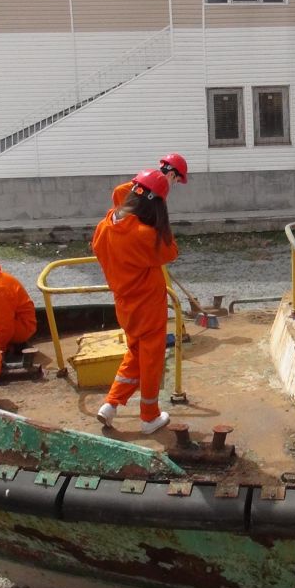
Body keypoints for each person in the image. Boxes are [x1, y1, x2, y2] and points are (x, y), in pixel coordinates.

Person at [91, 169, 178, 434]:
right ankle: (149, 416)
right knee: (151, 359)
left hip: (124, 305)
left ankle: (111, 403)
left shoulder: (104, 226)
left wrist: (148, 183)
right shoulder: (145, 234)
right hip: (148, 306)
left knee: (135, 353)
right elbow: (171, 252)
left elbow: (120, 193)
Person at [110, 153, 189, 208]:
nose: (174, 184)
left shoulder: (122, 190)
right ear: (171, 175)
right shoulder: (159, 197)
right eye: (177, 181)